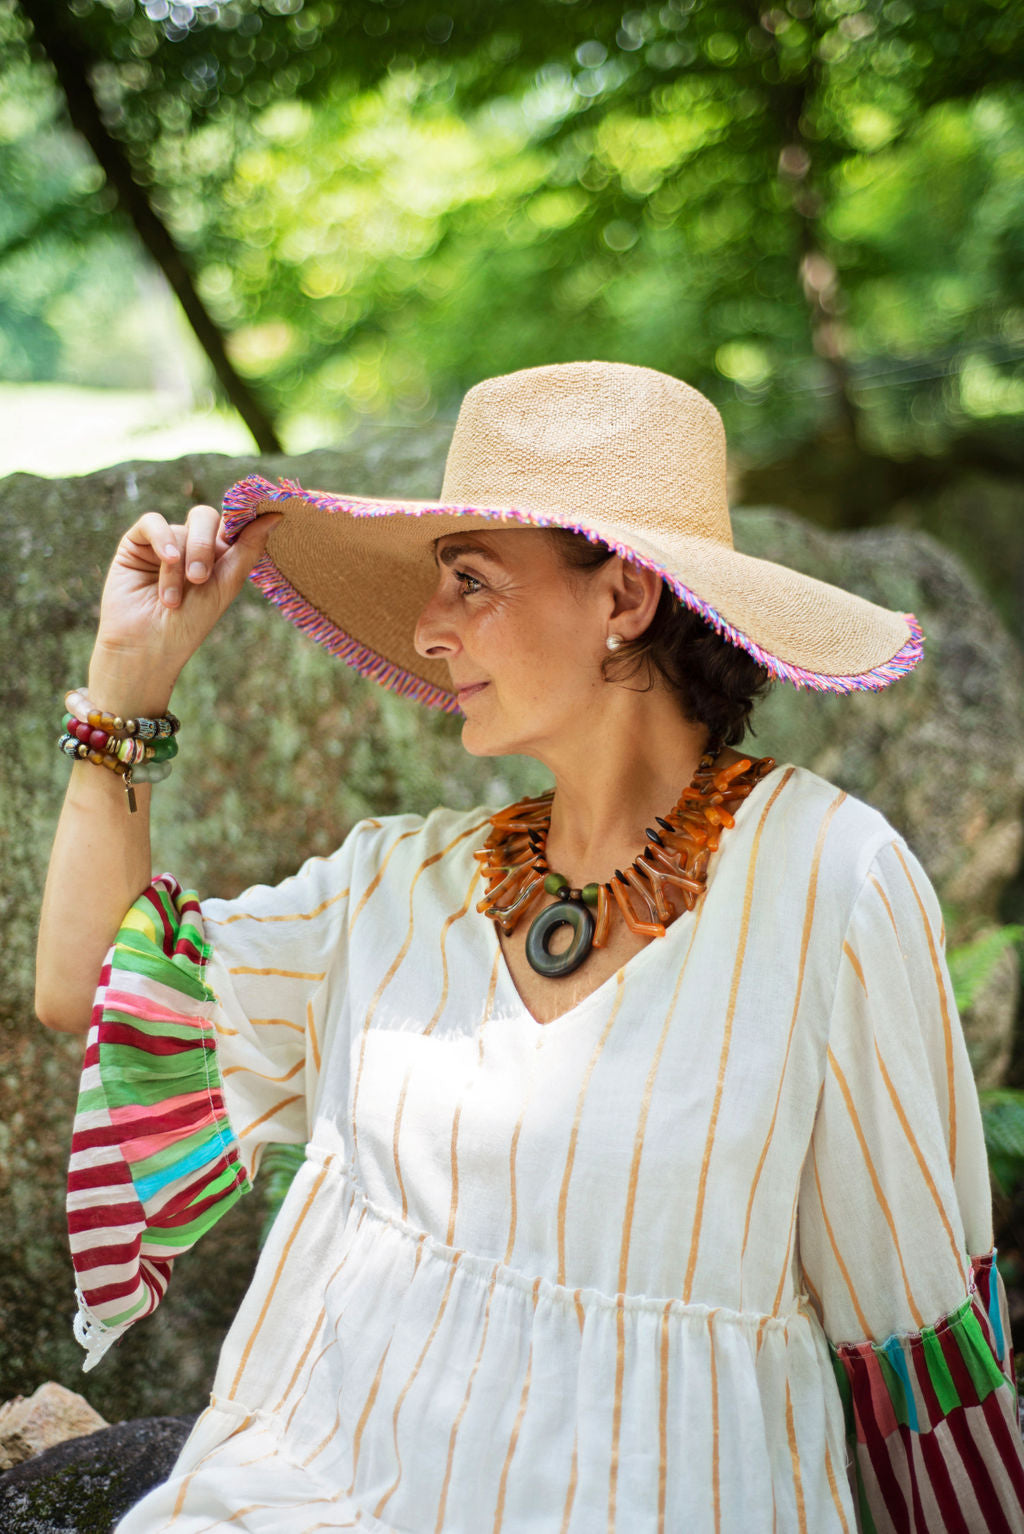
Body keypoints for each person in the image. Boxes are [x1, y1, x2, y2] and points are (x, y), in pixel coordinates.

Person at [36, 362, 1024, 1533]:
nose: (426, 627)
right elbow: (88, 988)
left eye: (470, 580)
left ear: (625, 597)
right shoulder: (400, 885)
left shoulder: (831, 881)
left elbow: (908, 1330)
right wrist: (124, 689)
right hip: (301, 1498)